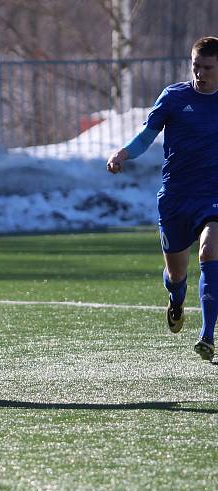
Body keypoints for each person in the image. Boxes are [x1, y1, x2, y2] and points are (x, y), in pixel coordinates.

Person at [107, 36, 218, 364]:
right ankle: (177, 299)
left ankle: (207, 335)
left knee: (210, 250)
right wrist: (123, 153)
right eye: (196, 66)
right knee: (177, 275)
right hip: (175, 197)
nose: (200, 73)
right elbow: (146, 136)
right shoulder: (174, 97)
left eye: (208, 68)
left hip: (212, 195)